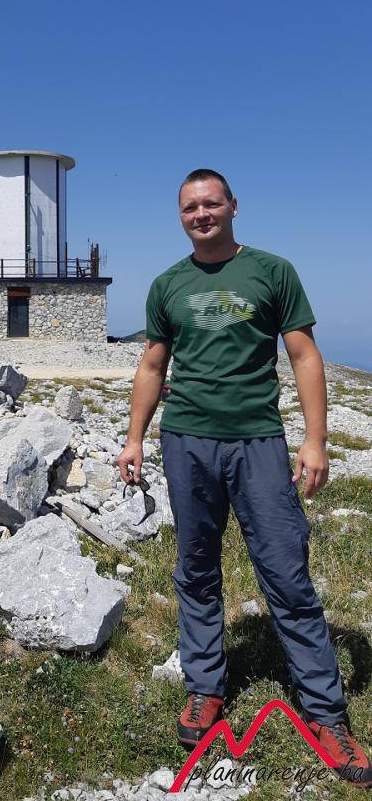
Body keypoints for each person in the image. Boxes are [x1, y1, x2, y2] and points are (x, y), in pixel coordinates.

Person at [115, 168, 371, 788]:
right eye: (189, 208)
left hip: (257, 441)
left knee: (285, 571)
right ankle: (205, 687)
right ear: (181, 216)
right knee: (196, 566)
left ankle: (326, 713)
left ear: (233, 206)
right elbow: (153, 364)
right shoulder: (167, 284)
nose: (200, 215)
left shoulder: (273, 271)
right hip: (186, 441)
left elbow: (303, 354)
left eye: (211, 204)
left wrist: (315, 439)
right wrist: (134, 437)